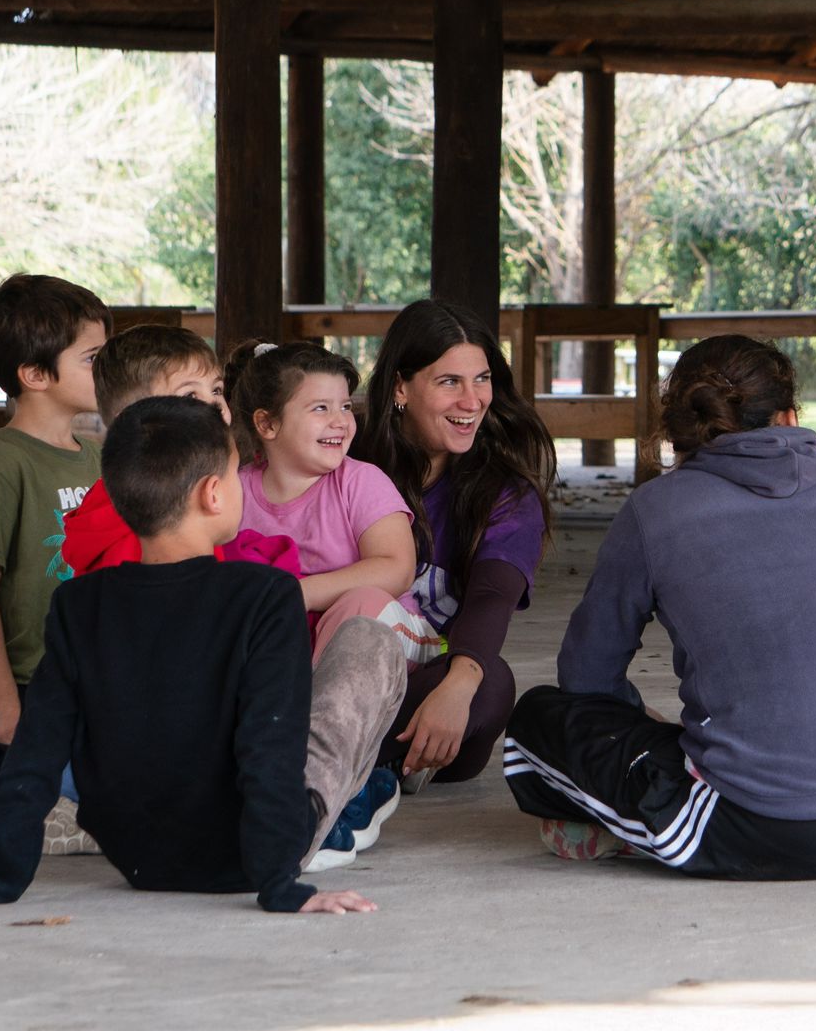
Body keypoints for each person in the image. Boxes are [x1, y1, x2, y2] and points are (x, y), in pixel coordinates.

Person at [504, 334, 816, 878]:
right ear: (788, 415)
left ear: (678, 426)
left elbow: (587, 676)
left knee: (536, 720)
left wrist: (640, 718)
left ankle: (633, 829)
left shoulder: (655, 509)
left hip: (769, 828)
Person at [0, 397, 405, 912]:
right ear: (213, 494)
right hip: (250, 854)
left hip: (138, 856)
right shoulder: (265, 594)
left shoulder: (79, 602)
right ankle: (341, 816)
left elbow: (37, 746)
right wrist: (278, 883)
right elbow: (269, 740)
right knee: (371, 641)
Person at [358, 300, 556, 789]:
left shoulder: (504, 488)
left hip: (425, 680)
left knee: (491, 688)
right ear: (401, 386)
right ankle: (362, 765)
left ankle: (345, 761)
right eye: (449, 382)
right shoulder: (350, 460)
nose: (472, 401)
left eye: (482, 379)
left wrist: (458, 685)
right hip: (336, 672)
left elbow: (492, 596)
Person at [0, 274, 110, 850]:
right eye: (93, 358)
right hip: (27, 687)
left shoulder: (102, 456)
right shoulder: (2, 465)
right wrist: (6, 708)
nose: (106, 370)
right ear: (34, 375)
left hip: (95, 679)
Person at [226, 340, 443, 669]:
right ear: (267, 424)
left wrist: (298, 593)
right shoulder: (234, 492)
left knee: (362, 606)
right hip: (288, 644)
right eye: (321, 408)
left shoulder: (361, 482)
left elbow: (397, 569)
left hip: (388, 632)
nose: (341, 421)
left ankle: (314, 711)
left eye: (345, 406)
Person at [63, 322, 233, 576]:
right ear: (134, 423)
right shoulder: (142, 530)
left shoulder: (183, 487)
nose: (215, 406)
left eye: (216, 390)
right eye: (190, 397)